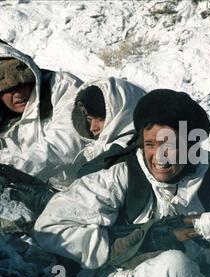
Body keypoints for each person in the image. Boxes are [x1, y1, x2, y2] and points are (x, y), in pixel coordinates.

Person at [34, 89, 210, 277]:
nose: (159, 157)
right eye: (151, 145)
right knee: (173, 266)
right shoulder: (121, 177)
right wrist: (118, 245)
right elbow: (50, 227)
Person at [7, 77, 146, 217]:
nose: (93, 127)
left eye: (100, 118)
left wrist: (48, 201)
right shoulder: (111, 150)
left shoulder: (125, 156)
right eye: (89, 120)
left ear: (121, 113)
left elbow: (93, 207)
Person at [0, 42, 85, 190]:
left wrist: (14, 171)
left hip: (87, 183)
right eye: (9, 89)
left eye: (22, 84)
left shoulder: (61, 87)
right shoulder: (3, 117)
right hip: (39, 194)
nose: (18, 94)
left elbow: (66, 143)